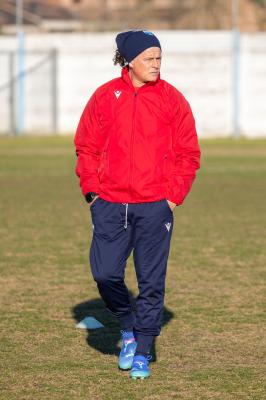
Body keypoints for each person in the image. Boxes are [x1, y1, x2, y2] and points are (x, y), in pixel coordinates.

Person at [74, 30, 201, 380]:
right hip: (110, 203)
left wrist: (172, 198)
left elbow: (189, 154)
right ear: (129, 60)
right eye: (149, 58)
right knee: (105, 273)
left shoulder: (172, 99)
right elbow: (86, 146)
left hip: (155, 206)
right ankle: (128, 326)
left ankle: (143, 350)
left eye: (159, 58)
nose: (157, 64)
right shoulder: (104, 96)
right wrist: (92, 193)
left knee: (151, 282)